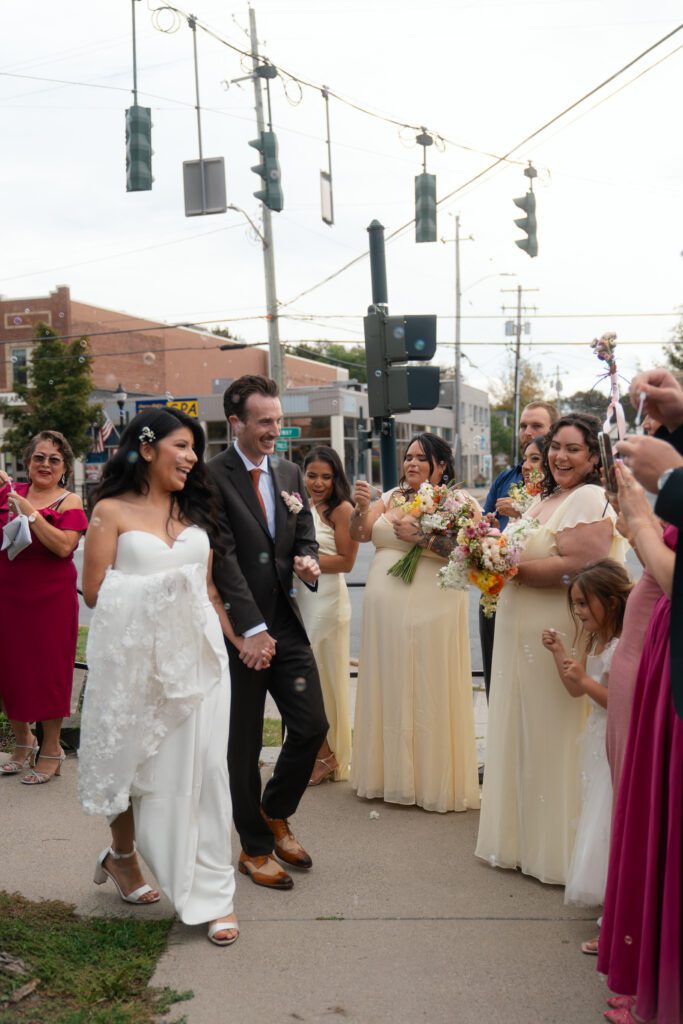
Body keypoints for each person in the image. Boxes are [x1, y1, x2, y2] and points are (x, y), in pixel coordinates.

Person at [79, 409, 239, 947]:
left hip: (201, 663)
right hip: (141, 669)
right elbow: (96, 592)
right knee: (145, 778)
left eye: (195, 448)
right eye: (182, 445)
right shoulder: (110, 511)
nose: (193, 457)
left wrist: (240, 639)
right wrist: (159, 592)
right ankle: (124, 858)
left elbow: (210, 592)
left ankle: (215, 896)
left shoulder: (194, 511)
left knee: (211, 775)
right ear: (147, 450)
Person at [475, 413, 627, 885]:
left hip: (555, 630)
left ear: (593, 458)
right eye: (556, 446)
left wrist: (506, 568)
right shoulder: (547, 498)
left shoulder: (590, 497)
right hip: (520, 629)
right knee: (525, 730)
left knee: (552, 733)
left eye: (573, 449)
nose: (560, 457)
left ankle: (557, 851)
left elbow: (579, 565)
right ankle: (524, 841)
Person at [208, 375, 328, 892]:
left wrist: (309, 559)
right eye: (264, 421)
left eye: (278, 420)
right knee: (243, 743)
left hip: (286, 620)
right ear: (236, 422)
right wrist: (249, 629)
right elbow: (224, 557)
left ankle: (275, 811)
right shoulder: (212, 477)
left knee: (312, 726)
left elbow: (304, 532)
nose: (275, 430)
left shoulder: (288, 471)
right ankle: (254, 847)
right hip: (240, 630)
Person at [349, 432, 480, 813]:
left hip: (434, 604)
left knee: (428, 680)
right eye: (408, 457)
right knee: (391, 680)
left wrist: (423, 539)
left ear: (440, 464)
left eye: (421, 458)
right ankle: (387, 776)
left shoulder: (460, 501)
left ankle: (431, 780)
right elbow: (360, 534)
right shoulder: (389, 497)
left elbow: (469, 552)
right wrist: (360, 509)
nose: (411, 463)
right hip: (385, 609)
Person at [597, 461, 680, 1024]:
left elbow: (670, 571)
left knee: (657, 813)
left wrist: (645, 518)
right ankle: (635, 946)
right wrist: (636, 515)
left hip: (666, 651)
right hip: (650, 651)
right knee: (638, 799)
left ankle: (649, 967)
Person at [542, 560, 631, 953]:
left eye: (583, 604)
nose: (577, 612)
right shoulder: (595, 643)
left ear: (611, 602)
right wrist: (559, 652)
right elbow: (576, 690)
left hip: (616, 741)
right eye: (574, 604)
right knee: (599, 821)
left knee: (608, 823)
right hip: (595, 742)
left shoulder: (623, 647)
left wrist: (585, 680)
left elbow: (617, 702)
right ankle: (613, 912)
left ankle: (615, 921)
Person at [0, 431, 88, 784]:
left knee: (48, 672)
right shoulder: (9, 492)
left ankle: (52, 748)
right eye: (39, 457)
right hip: (7, 595)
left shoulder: (70, 501)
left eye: (53, 459)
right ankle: (23, 742)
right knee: (8, 669)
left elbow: (64, 547)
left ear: (64, 466)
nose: (45, 464)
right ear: (28, 461)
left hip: (49, 600)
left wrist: (31, 513)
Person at [479, 401, 558, 699]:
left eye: (536, 426)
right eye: (523, 426)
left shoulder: (560, 487)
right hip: (494, 591)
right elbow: (487, 522)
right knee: (496, 676)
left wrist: (521, 511)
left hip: (533, 592)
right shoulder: (506, 478)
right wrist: (484, 529)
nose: (527, 431)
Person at [297, 446, 358, 786]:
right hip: (303, 599)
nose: (318, 483)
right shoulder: (301, 505)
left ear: (336, 478)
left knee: (316, 681)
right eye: (312, 475)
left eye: (326, 476)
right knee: (309, 681)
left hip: (327, 602)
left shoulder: (342, 509)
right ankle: (322, 753)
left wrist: (306, 559)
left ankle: (326, 755)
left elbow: (347, 563)